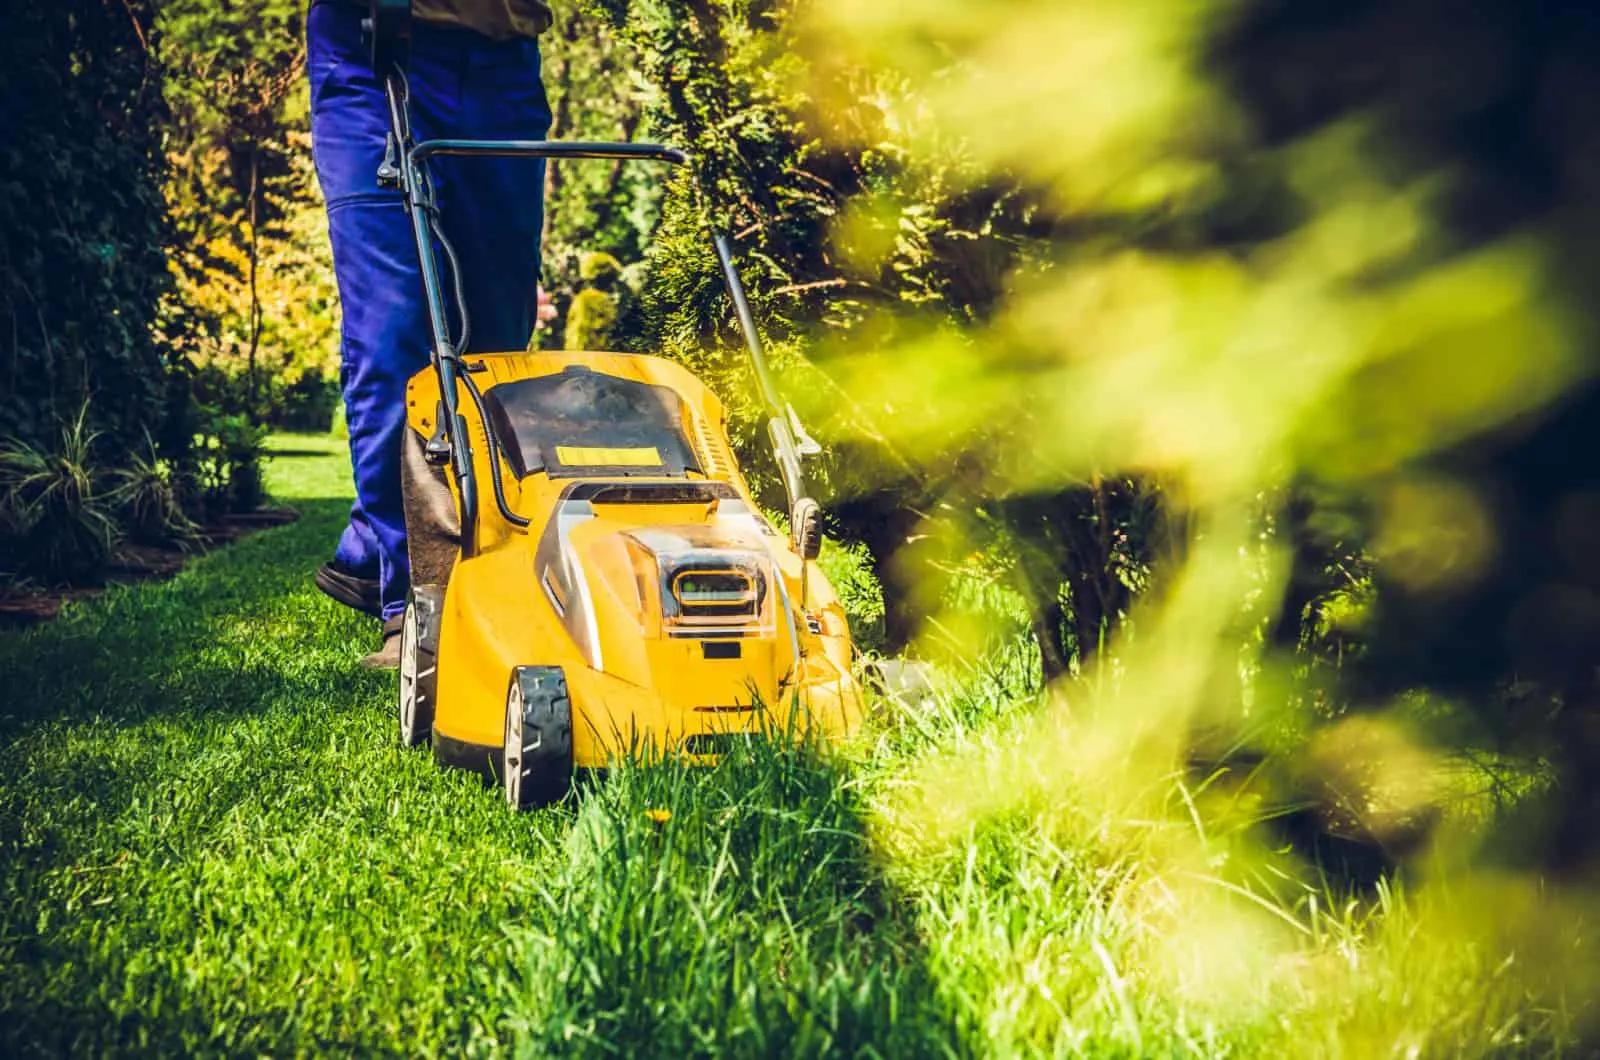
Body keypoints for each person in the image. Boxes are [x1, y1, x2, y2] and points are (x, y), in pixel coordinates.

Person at [306, 0, 554, 667]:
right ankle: (416, 601)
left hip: (500, 60)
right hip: (371, 50)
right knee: (391, 332)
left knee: (495, 344)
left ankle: (372, 544)